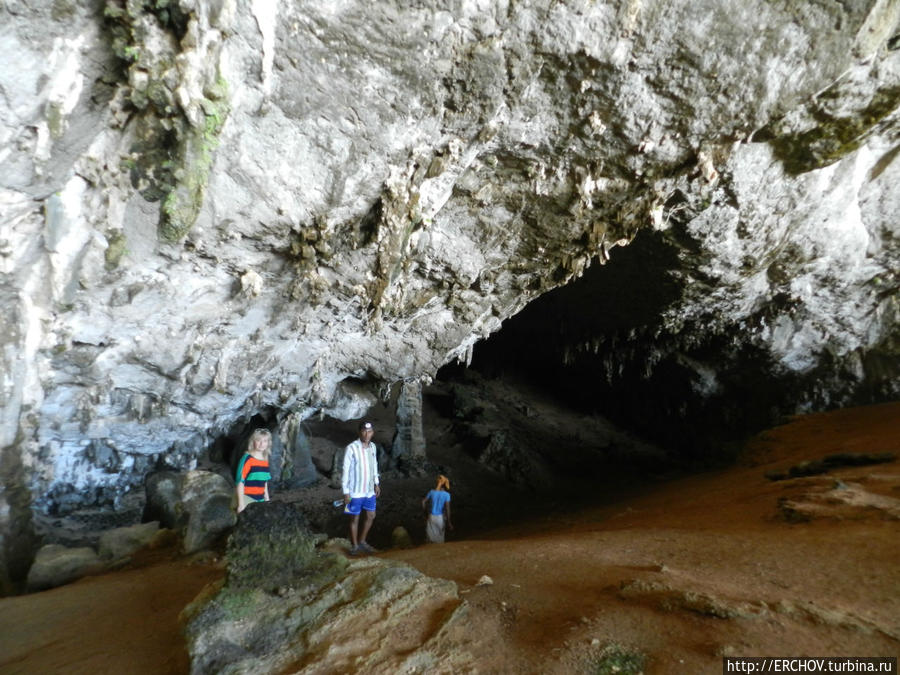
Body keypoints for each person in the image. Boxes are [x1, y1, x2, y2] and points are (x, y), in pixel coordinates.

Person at [342, 420, 381, 555]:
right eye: (364, 431)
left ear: (373, 433)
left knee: (371, 515)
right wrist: (346, 492)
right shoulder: (351, 448)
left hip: (369, 490)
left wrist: (376, 483)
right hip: (355, 491)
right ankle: (355, 545)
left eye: (369, 431)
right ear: (359, 432)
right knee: (354, 518)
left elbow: (374, 465)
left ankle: (362, 541)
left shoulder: (373, 447)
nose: (366, 434)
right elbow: (345, 470)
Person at [235, 428, 272, 513]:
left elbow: (264, 482)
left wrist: (267, 499)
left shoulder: (265, 460)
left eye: (265, 441)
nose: (262, 444)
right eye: (259, 440)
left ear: (268, 443)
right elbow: (240, 481)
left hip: (260, 499)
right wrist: (241, 504)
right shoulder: (247, 459)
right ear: (253, 442)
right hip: (247, 498)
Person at [422, 475, 453, 543]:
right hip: (440, 518)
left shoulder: (432, 492)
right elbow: (448, 509)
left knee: (430, 538)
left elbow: (423, 502)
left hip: (431, 517)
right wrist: (449, 522)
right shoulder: (447, 495)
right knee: (440, 539)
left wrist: (425, 514)